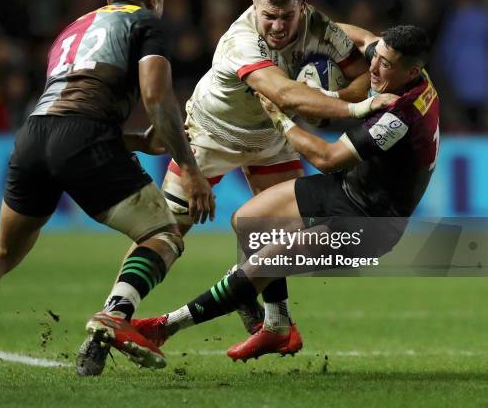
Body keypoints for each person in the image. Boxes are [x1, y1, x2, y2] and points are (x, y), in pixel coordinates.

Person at [75, 0, 399, 374]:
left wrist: (336, 86)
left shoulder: (319, 27)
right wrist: (351, 106)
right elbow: (283, 92)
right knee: (164, 234)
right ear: (254, 8)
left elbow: (359, 77)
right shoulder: (242, 41)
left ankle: (276, 322)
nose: (277, 26)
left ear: (302, 8)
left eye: (286, 16)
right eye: (269, 16)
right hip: (211, 134)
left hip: (270, 136)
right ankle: (111, 320)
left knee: (277, 230)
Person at [0, 0, 215, 387]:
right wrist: (189, 168)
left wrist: (132, 141)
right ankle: (115, 314)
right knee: (163, 235)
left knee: (2, 250)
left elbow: (67, 106)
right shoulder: (146, 22)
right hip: (83, 137)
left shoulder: (72, 29)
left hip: (33, 135)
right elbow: (156, 97)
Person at [132, 24, 439, 362]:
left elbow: (327, 158)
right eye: (376, 58)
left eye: (386, 65)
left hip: (370, 224)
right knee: (249, 222)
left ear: (411, 71)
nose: (374, 68)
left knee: (264, 262)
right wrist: (308, 24)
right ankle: (277, 326)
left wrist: (279, 115)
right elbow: (363, 39)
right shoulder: (404, 70)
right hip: (347, 191)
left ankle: (165, 327)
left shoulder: (399, 116)